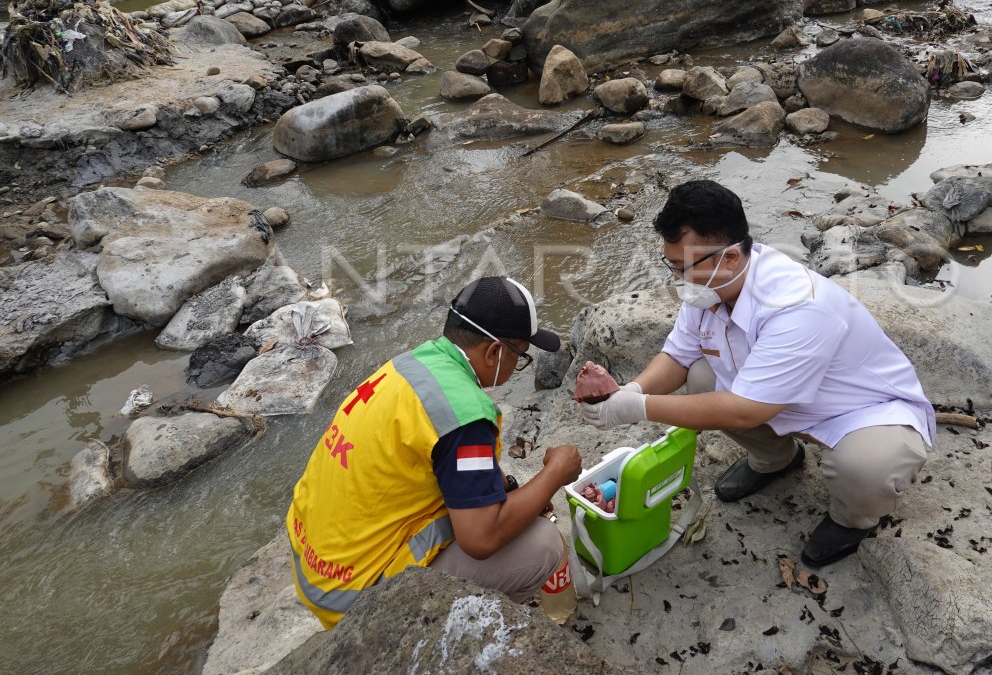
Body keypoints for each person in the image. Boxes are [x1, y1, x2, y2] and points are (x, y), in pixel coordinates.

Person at [581, 180, 936, 568]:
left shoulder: (797, 306)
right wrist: (630, 390)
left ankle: (853, 518)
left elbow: (744, 411)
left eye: (684, 267)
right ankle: (776, 461)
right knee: (701, 378)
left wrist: (639, 407)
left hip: (860, 411)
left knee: (866, 466)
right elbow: (678, 358)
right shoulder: (713, 284)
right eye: (673, 265)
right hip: (778, 400)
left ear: (730, 257)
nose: (678, 279)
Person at [287, 276, 582, 628]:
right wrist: (555, 475)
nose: (518, 364)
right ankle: (445, 634)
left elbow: (443, 457)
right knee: (544, 543)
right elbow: (481, 539)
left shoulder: (414, 364)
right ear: (494, 351)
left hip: (313, 566)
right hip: (355, 601)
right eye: (519, 355)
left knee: (505, 511)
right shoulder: (466, 417)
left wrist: (513, 491)